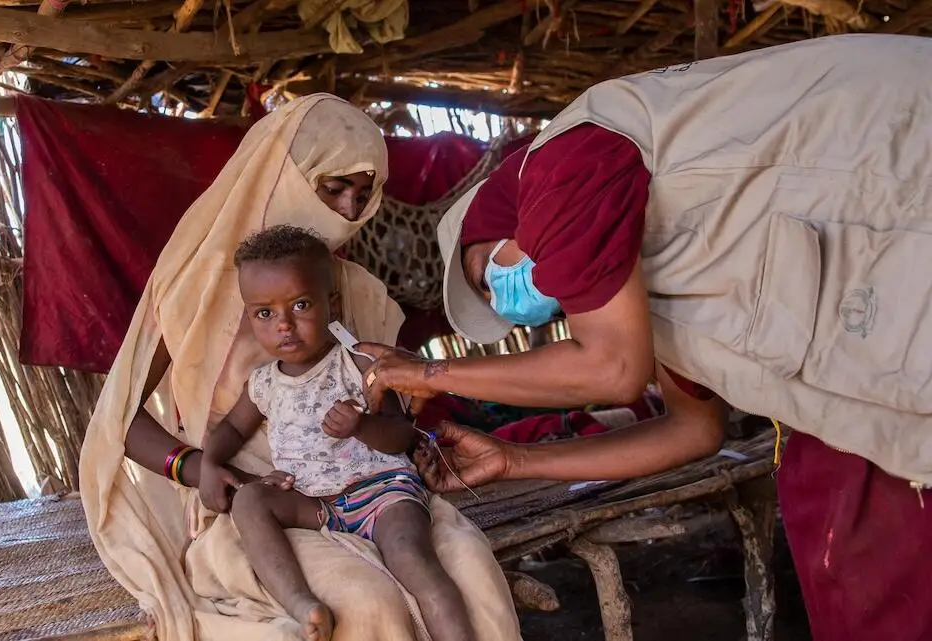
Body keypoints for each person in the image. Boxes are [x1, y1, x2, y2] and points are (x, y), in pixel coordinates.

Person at [357, 34, 932, 641]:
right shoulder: (647, 287)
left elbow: (613, 371)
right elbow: (693, 428)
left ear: (496, 222)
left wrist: (423, 373)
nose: (507, 298)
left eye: (485, 275)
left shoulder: (559, 163)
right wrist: (516, 459)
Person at [80, 94, 521, 641]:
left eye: (363, 193)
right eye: (332, 188)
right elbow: (119, 418)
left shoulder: (359, 291)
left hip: (371, 481)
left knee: (470, 571)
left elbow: (388, 408)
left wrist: (412, 440)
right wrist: (202, 470)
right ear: (282, 174)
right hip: (260, 502)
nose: (348, 210)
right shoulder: (194, 288)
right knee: (368, 602)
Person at [201, 225, 474, 641]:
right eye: (265, 313)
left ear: (331, 305)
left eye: (301, 305)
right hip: (313, 502)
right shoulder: (263, 383)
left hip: (383, 492)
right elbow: (233, 429)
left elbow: (403, 435)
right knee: (251, 500)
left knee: (412, 558)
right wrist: (209, 461)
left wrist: (362, 425)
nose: (284, 326)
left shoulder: (360, 362)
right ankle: (301, 604)